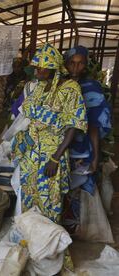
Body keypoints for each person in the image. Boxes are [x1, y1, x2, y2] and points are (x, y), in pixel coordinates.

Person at [12, 43, 87, 224]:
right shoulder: (39, 86)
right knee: (28, 194)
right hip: (31, 150)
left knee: (49, 197)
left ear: (53, 67)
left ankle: (48, 241)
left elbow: (73, 125)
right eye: (36, 67)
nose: (37, 71)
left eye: (41, 68)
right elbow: (26, 112)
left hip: (51, 153)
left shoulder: (70, 89)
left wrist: (55, 157)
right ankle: (30, 236)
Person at [62, 46, 112, 234]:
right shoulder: (59, 85)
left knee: (78, 188)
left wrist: (95, 156)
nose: (75, 67)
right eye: (72, 63)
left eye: (80, 63)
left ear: (86, 64)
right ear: (65, 64)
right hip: (59, 148)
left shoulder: (91, 88)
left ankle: (75, 229)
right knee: (60, 186)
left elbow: (93, 127)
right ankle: (58, 225)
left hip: (81, 149)